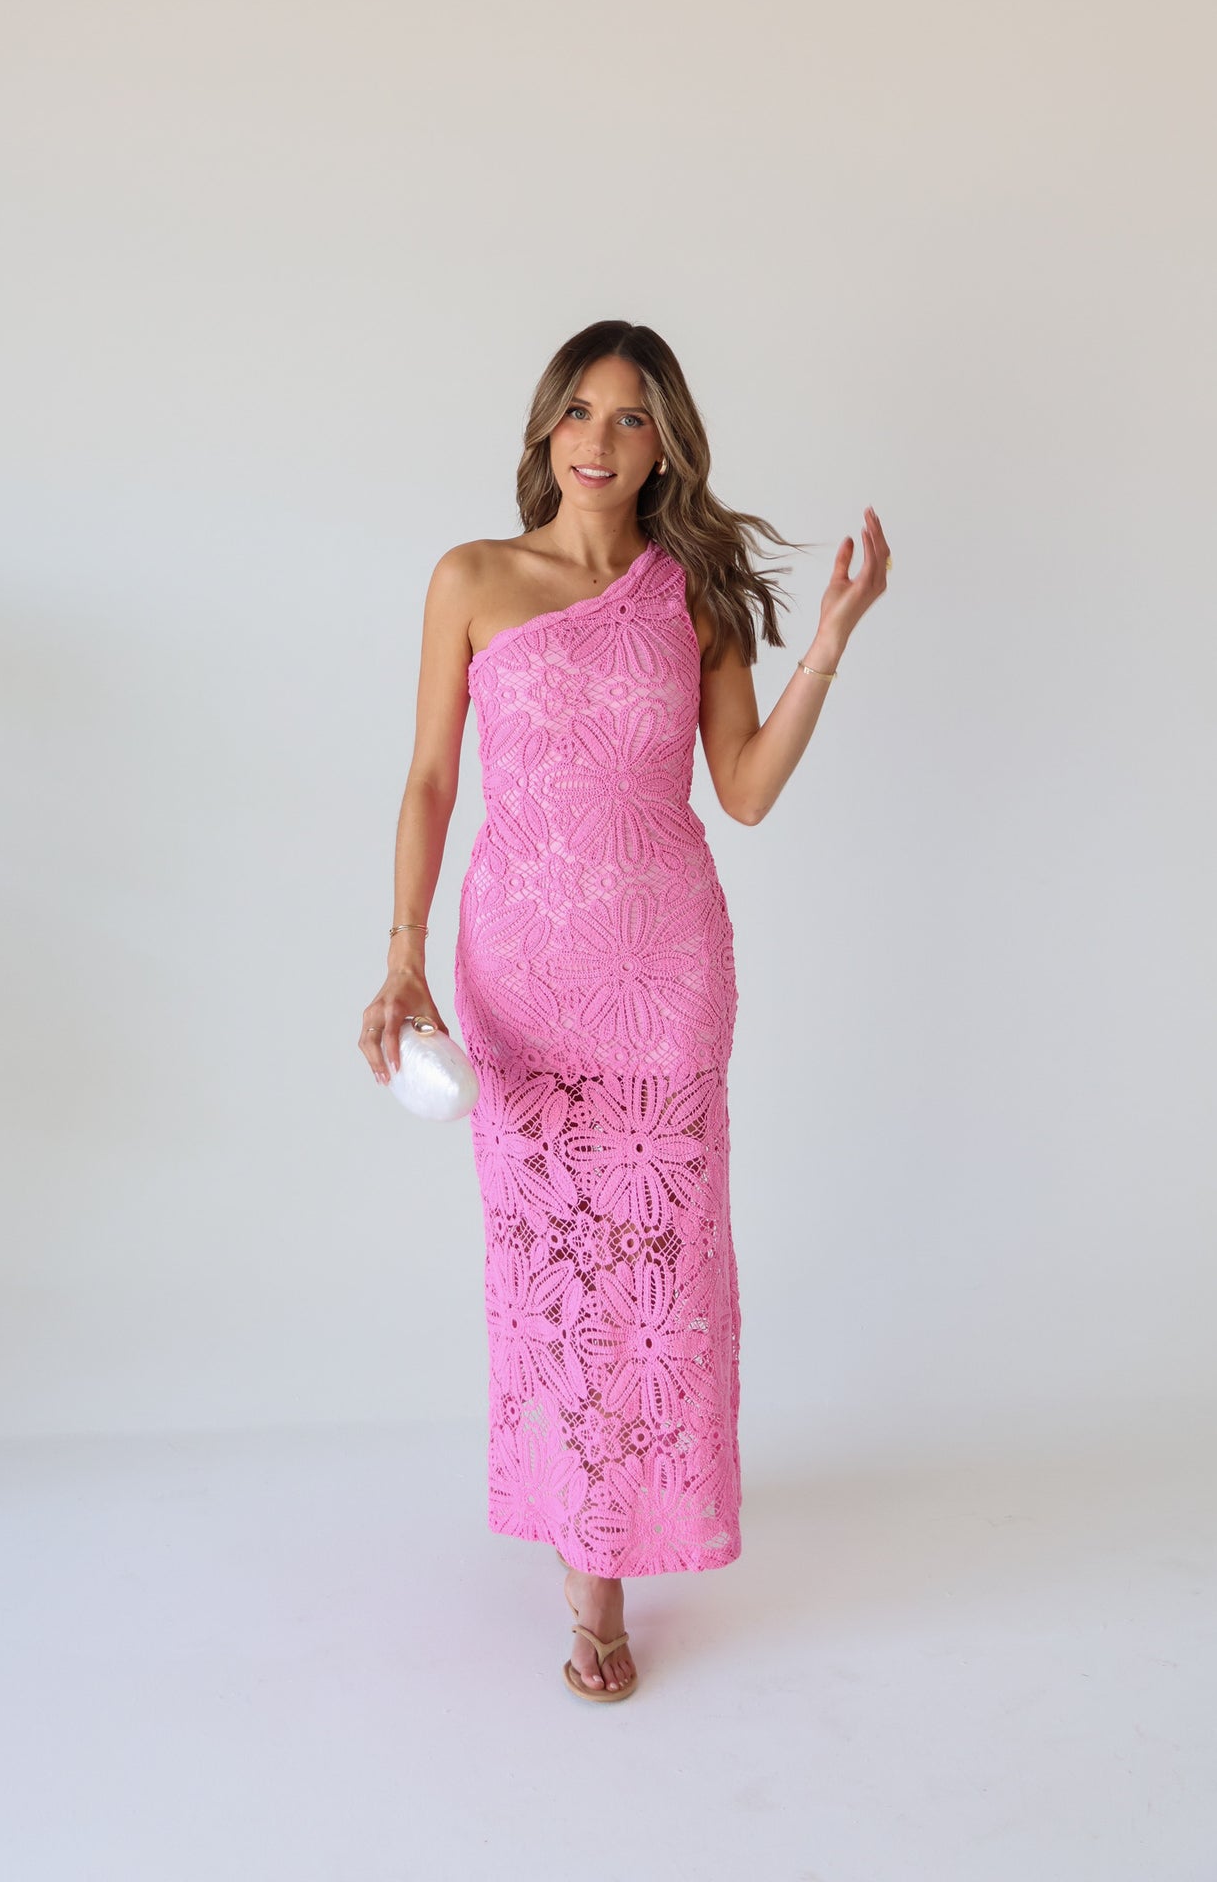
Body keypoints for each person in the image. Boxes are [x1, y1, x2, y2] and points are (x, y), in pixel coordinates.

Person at [359, 318, 890, 1703]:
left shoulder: (691, 592)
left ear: (667, 446)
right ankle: (589, 1559)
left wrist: (829, 642)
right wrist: (403, 952)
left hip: (665, 977)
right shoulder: (473, 578)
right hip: (520, 976)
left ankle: (613, 1553)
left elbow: (745, 789)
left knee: (656, 1276)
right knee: (554, 1271)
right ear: (547, 427)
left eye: (632, 416)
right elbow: (430, 780)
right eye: (580, 411)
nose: (599, 440)